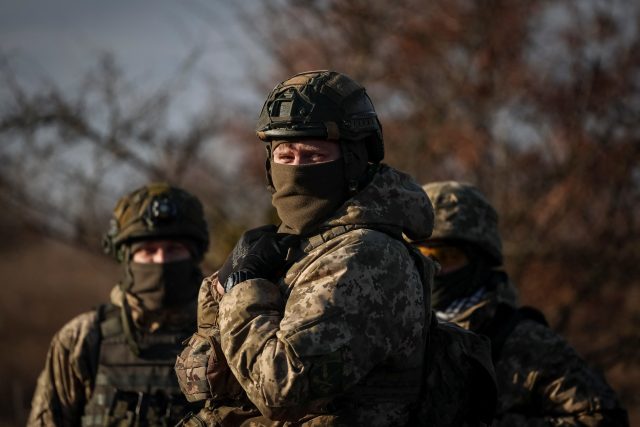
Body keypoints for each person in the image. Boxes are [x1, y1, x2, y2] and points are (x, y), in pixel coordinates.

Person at [178, 70, 436, 426]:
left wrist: (241, 292)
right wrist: (220, 287)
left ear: (355, 160)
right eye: (286, 155)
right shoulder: (292, 248)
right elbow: (200, 381)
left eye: (314, 156)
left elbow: (279, 390)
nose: (296, 170)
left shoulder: (366, 256)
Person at [412, 180, 629, 426]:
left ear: (479, 261)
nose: (434, 269)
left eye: (445, 257)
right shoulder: (392, 331)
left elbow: (604, 419)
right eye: (420, 256)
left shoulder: (525, 342)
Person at [28, 183, 209, 427]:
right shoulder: (83, 339)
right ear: (126, 258)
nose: (161, 260)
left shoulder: (223, 335)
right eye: (148, 251)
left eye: (173, 249)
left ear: (194, 255)